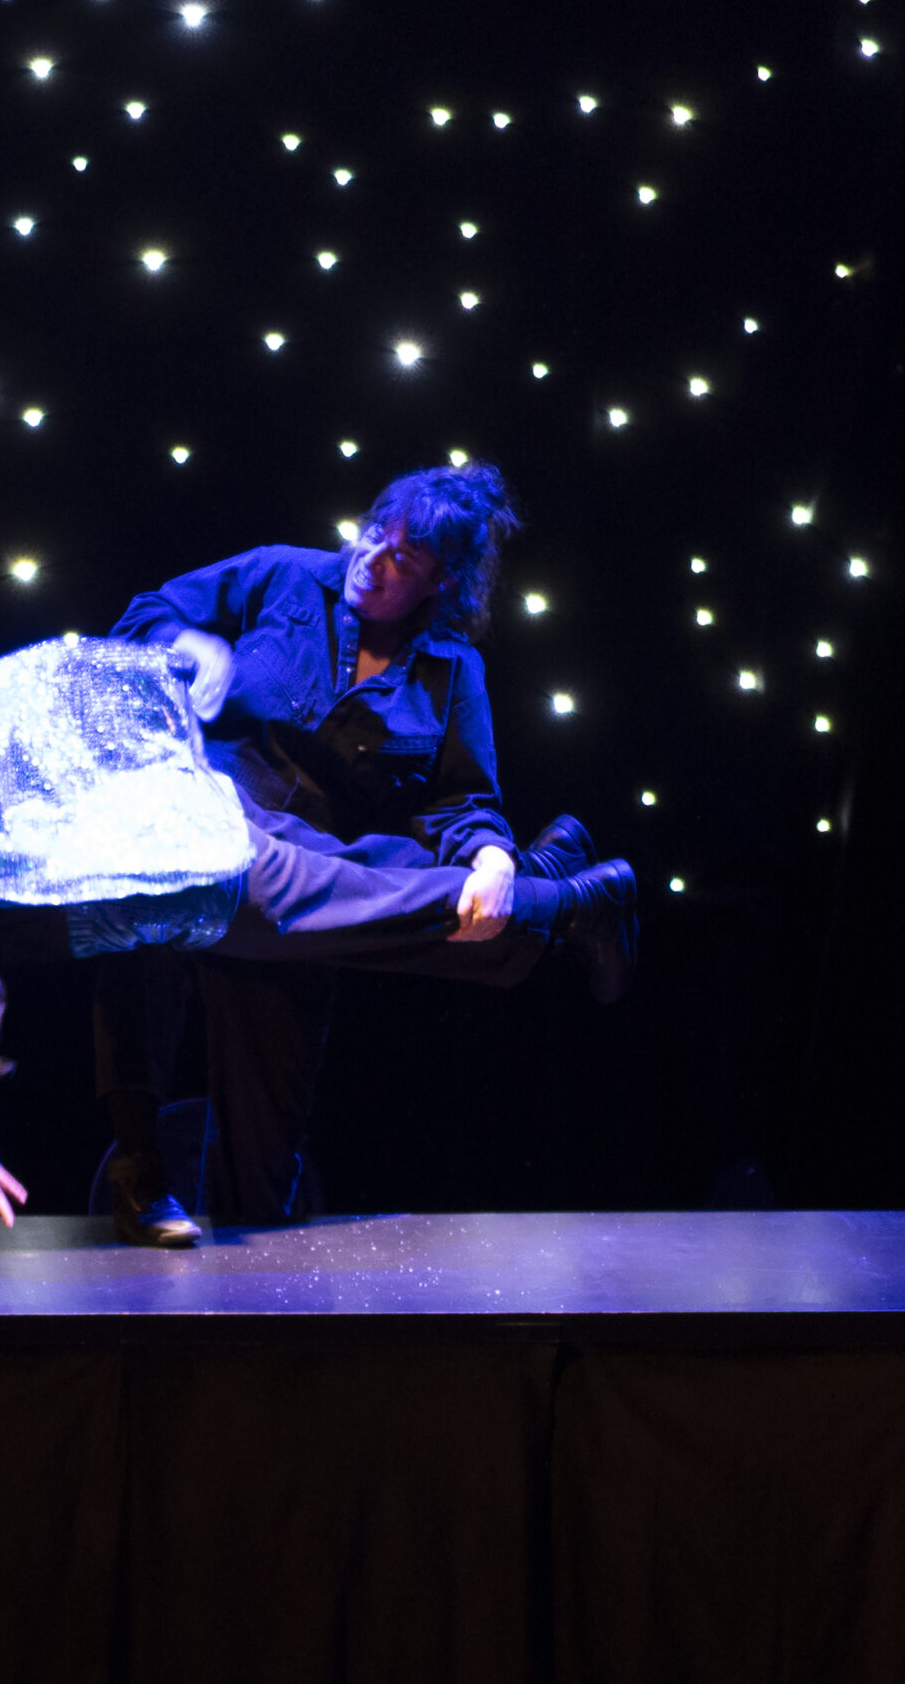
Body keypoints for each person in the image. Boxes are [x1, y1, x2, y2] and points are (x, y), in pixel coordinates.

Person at [0, 636, 636, 1240]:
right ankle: (549, 869)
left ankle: (576, 903)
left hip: (184, 874)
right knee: (362, 876)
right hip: (153, 842)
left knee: (381, 916)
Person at [97, 461, 619, 1238]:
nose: (373, 559)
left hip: (312, 900)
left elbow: (463, 802)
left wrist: (492, 858)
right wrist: (187, 645)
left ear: (443, 581)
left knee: (259, 1189)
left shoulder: (452, 670)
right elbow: (146, 614)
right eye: (374, 534)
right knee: (144, 905)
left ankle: (540, 891)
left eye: (404, 557)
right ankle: (563, 902)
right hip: (207, 829)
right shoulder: (284, 575)